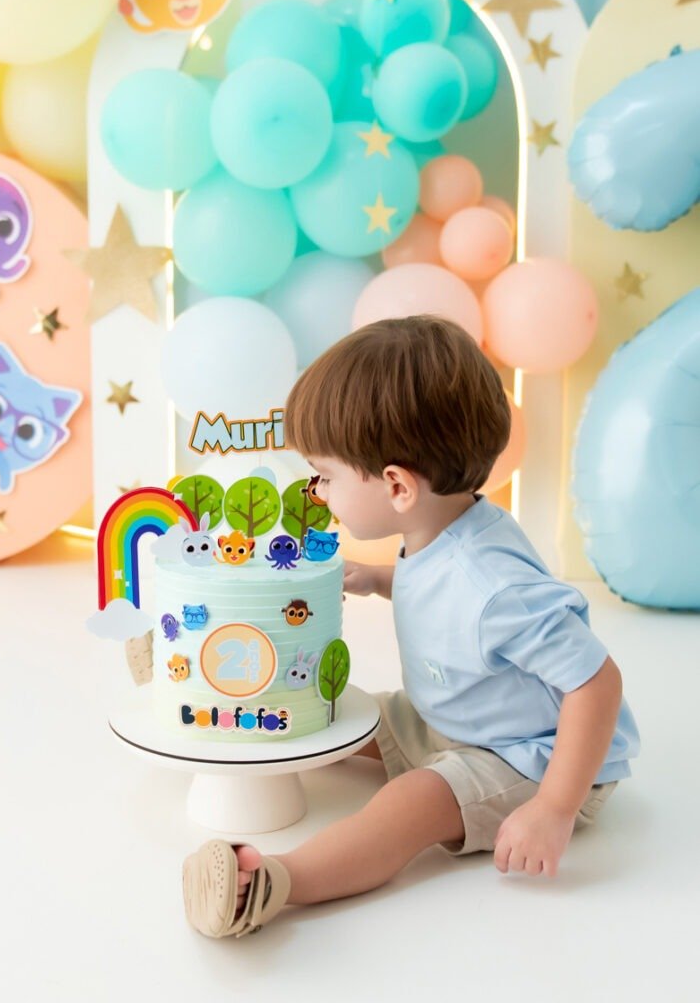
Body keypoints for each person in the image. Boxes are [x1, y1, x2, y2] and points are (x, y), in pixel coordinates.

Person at [182, 315, 641, 939]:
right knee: (336, 710)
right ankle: (194, 680)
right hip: (450, 714)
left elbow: (596, 682)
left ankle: (271, 884)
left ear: (397, 485)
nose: (317, 491)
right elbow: (446, 592)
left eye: (325, 476)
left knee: (410, 805)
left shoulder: (496, 587)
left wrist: (554, 809)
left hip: (529, 756)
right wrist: (380, 577)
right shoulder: (444, 528)